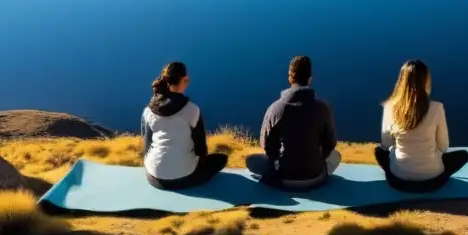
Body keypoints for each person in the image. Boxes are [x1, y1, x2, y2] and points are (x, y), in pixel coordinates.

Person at [375, 59, 468, 193]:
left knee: (378, 152)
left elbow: (386, 143)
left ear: (401, 81)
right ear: (426, 80)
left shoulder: (390, 108)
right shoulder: (436, 108)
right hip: (432, 181)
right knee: (463, 156)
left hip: (398, 180)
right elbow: (443, 147)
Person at [246, 56, 340, 190]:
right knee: (336, 156)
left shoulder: (275, 109)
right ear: (310, 78)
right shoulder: (323, 109)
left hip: (283, 179)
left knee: (251, 160)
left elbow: (266, 145)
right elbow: (330, 144)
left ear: (290, 77)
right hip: (315, 178)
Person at [142, 62, 227, 191]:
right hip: (185, 176)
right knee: (221, 159)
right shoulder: (192, 110)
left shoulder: (148, 111)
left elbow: (147, 144)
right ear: (184, 80)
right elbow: (200, 148)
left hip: (154, 177)